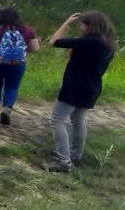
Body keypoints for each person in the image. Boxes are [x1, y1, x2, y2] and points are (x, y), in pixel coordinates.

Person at [46, 11, 117, 172]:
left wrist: (66, 23)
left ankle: (63, 161)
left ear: (90, 25)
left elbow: (54, 41)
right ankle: (75, 154)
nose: (80, 27)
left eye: (82, 24)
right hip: (92, 87)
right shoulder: (108, 45)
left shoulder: (88, 42)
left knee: (57, 120)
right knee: (78, 119)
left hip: (75, 86)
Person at [0, 6, 40, 125]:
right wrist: (22, 52)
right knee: (12, 87)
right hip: (17, 64)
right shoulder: (27, 30)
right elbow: (35, 48)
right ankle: (7, 108)